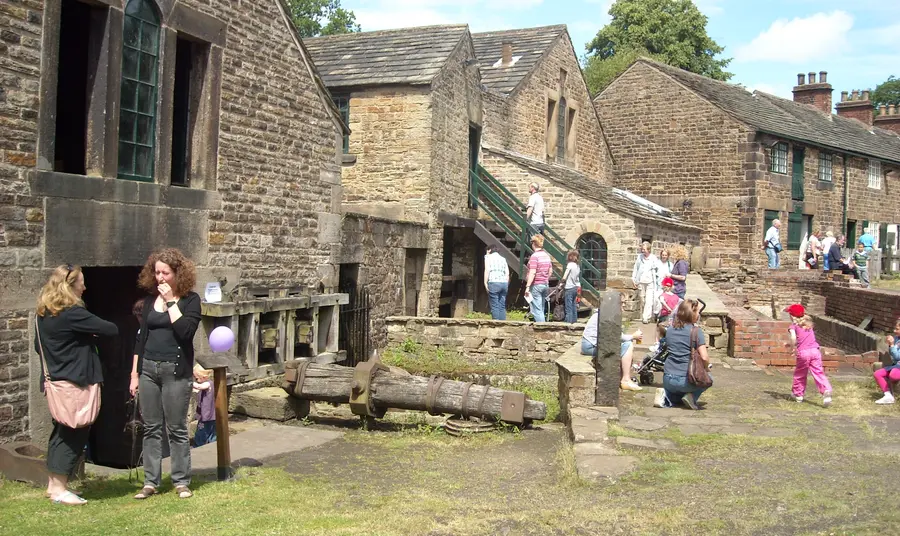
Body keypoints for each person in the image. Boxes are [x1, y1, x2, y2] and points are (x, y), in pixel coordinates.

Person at [35, 264, 119, 505]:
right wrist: (86, 336)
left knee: (60, 432)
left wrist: (79, 338)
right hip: (75, 383)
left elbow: (37, 346)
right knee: (74, 433)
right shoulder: (73, 313)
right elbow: (109, 329)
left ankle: (53, 485)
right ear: (70, 286)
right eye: (81, 282)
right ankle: (60, 489)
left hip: (56, 383)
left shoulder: (44, 313)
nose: (85, 286)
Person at [130, 248, 202, 500]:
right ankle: (150, 481)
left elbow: (185, 332)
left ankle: (181, 481)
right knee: (150, 428)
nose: (160, 277)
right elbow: (141, 339)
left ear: (177, 274)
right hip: (149, 368)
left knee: (176, 428)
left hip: (175, 370)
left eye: (165, 273)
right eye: (157, 272)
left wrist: (171, 300)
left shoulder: (190, 300)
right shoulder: (150, 301)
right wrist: (134, 374)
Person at [653, 299, 710, 410]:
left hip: (668, 378)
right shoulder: (696, 331)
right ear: (692, 314)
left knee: (677, 396)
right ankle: (691, 397)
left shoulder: (670, 330)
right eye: (697, 312)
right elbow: (704, 357)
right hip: (686, 378)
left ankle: (666, 397)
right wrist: (706, 368)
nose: (699, 314)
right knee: (709, 379)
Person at [580, 305, 644, 391]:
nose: (624, 305)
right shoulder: (606, 316)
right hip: (591, 346)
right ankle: (625, 380)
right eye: (622, 303)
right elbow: (618, 336)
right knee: (628, 345)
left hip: (591, 345)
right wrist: (633, 336)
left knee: (625, 345)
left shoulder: (604, 313)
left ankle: (622, 378)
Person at [783, 304, 832, 407]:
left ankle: (798, 394)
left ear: (792, 316)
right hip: (815, 351)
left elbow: (794, 338)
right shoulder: (808, 325)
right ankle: (826, 390)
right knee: (818, 372)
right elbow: (805, 339)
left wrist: (792, 347)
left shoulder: (793, 326)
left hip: (803, 353)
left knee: (800, 373)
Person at [524, 235, 552, 322]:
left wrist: (528, 286)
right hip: (545, 284)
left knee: (537, 310)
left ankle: (542, 330)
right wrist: (544, 278)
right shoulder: (547, 256)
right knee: (541, 308)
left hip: (536, 285)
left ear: (533, 244)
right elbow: (550, 271)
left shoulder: (534, 256)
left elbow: (532, 272)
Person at [631, 242, 659, 324]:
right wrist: (634, 279)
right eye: (642, 249)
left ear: (649, 250)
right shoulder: (640, 257)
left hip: (650, 282)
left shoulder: (653, 258)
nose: (643, 251)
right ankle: (645, 314)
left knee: (649, 300)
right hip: (641, 281)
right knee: (642, 299)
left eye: (644, 249)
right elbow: (636, 268)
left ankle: (646, 317)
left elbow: (657, 269)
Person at [873, 319, 900, 405]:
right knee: (877, 374)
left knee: (893, 375)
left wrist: (892, 345)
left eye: (897, 329)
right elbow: (894, 356)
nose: (894, 331)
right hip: (896, 365)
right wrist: (890, 344)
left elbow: (897, 356)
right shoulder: (897, 339)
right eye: (895, 329)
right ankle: (888, 395)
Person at [192, 365, 216, 447]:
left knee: (202, 431)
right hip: (209, 414)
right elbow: (198, 389)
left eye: (197, 378)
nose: (196, 380)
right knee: (211, 430)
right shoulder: (206, 384)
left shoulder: (208, 384)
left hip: (207, 414)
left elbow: (199, 387)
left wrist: (189, 382)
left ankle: (198, 445)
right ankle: (212, 443)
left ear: (204, 377)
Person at [483, 244, 509, 320]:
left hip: (494, 282)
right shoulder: (503, 259)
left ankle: (496, 324)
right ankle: (503, 324)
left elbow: (487, 270)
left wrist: (485, 282)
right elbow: (507, 273)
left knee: (494, 305)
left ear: (489, 250)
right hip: (504, 283)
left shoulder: (488, 258)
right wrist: (506, 283)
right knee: (502, 305)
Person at [561, 250, 581, 323]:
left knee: (568, 307)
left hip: (569, 288)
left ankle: (568, 324)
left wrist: (561, 283)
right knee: (573, 306)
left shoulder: (570, 265)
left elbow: (565, 276)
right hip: (575, 287)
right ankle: (574, 321)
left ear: (570, 256)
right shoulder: (577, 266)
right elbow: (577, 278)